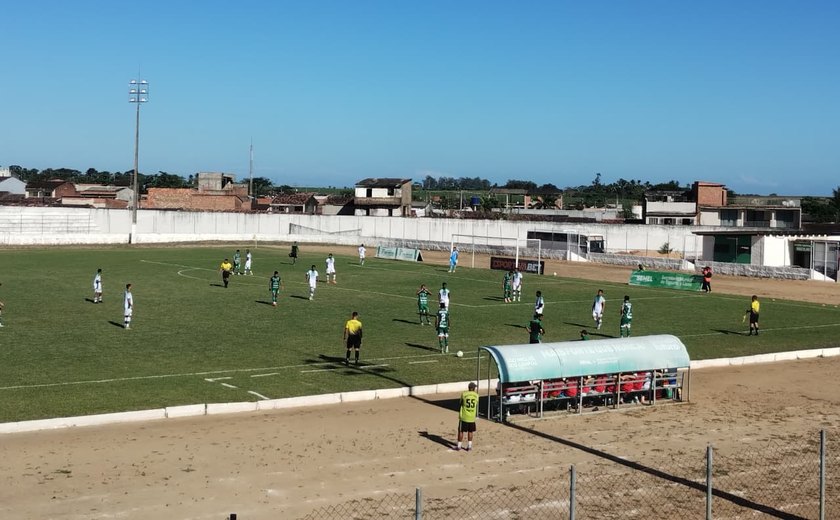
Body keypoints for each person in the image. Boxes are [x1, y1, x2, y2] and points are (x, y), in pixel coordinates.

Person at [456, 382, 478, 451]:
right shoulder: (477, 395)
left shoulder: (464, 394)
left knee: (460, 431)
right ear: (473, 388)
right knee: (470, 431)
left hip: (464, 416)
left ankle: (459, 446)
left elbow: (460, 403)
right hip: (472, 417)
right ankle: (469, 446)